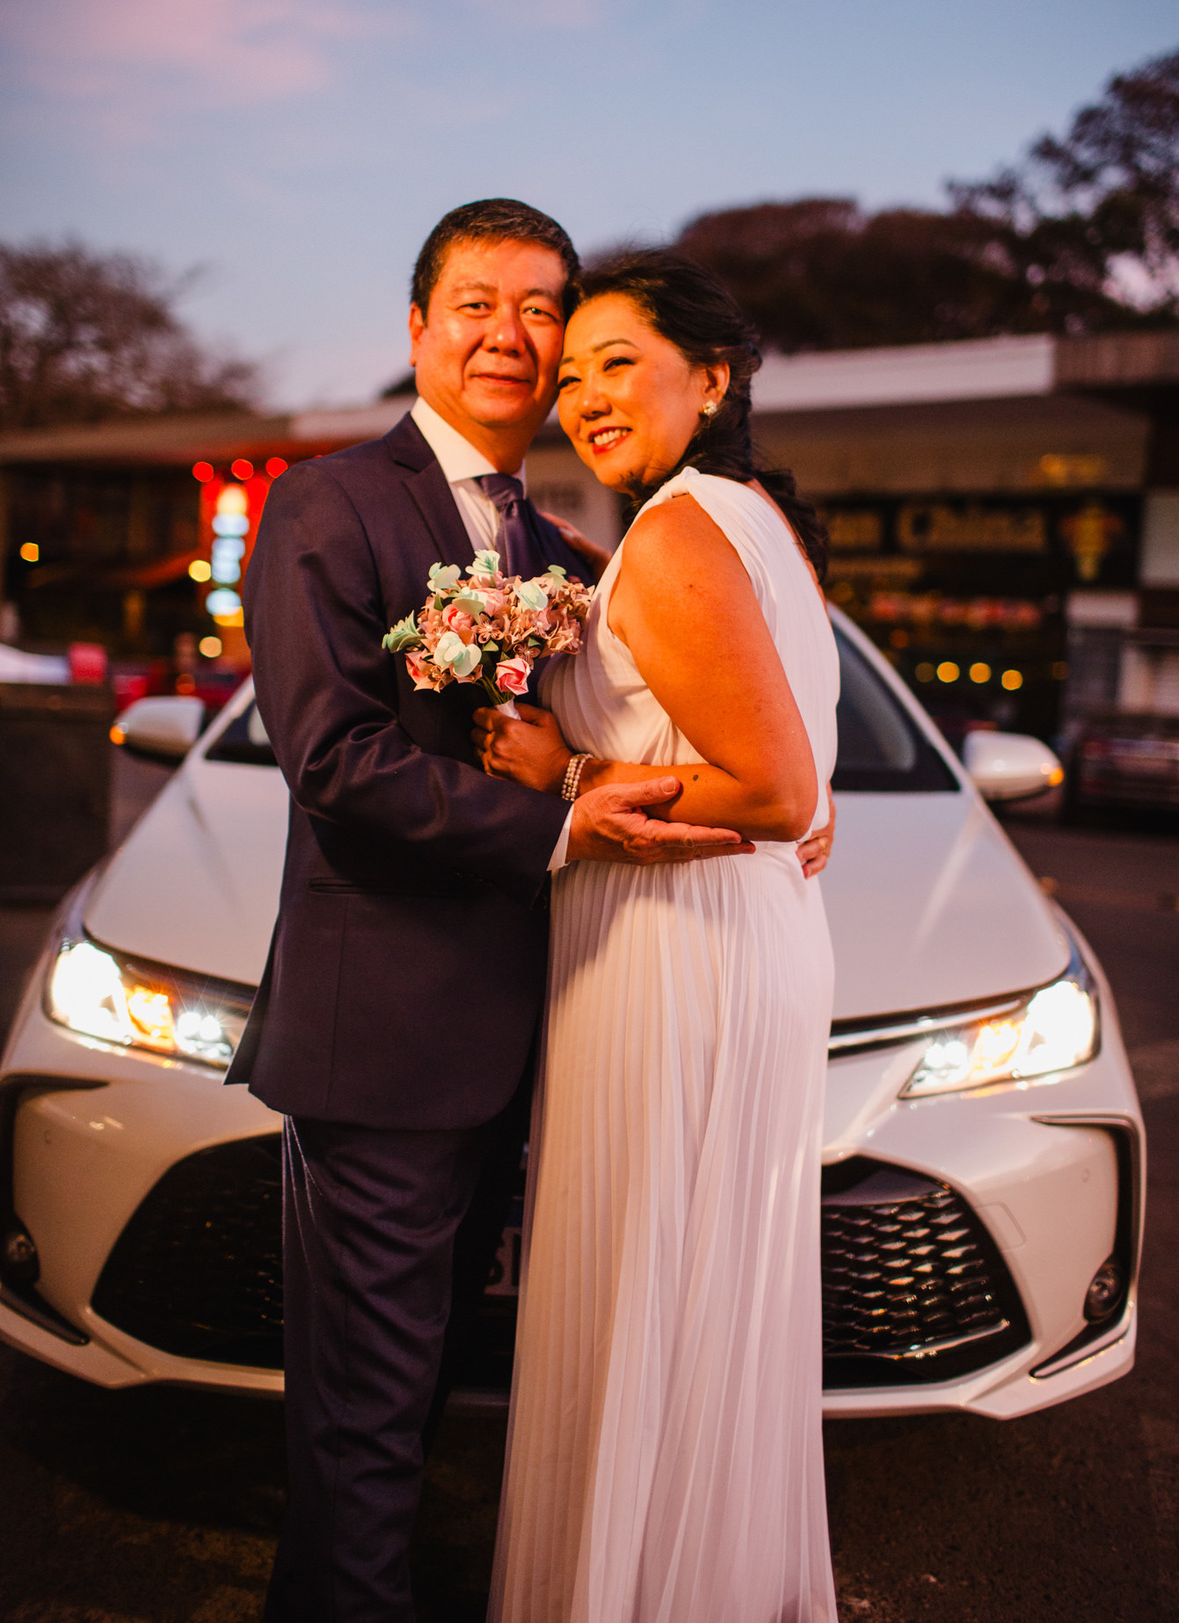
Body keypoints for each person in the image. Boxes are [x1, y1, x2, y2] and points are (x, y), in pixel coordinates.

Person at [227, 201, 758, 1623]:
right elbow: (336, 760)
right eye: (477, 302)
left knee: (424, 1400)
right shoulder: (331, 503)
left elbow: (658, 732)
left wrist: (775, 805)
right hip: (390, 1044)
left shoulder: (572, 555)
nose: (510, 335)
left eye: (541, 309)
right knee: (366, 1411)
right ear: (418, 329)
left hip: (549, 1045)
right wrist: (564, 821)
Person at [476, 249, 841, 1623]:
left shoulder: (685, 530)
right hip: (737, 936)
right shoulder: (753, 523)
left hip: (675, 951)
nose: (583, 396)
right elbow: (792, 763)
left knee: (642, 1292)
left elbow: (774, 789)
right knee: (703, 1304)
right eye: (570, 376)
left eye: (617, 364)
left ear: (716, 377)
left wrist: (561, 772)